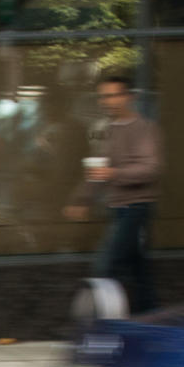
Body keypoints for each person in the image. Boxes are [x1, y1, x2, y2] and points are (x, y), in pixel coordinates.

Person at [63, 73, 162, 312]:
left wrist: (113, 173)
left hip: (136, 206)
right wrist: (81, 199)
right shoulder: (107, 130)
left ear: (128, 97)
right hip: (117, 208)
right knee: (137, 269)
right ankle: (150, 317)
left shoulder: (145, 129)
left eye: (114, 95)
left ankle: (102, 324)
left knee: (105, 266)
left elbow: (150, 169)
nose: (108, 101)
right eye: (103, 97)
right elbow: (97, 170)